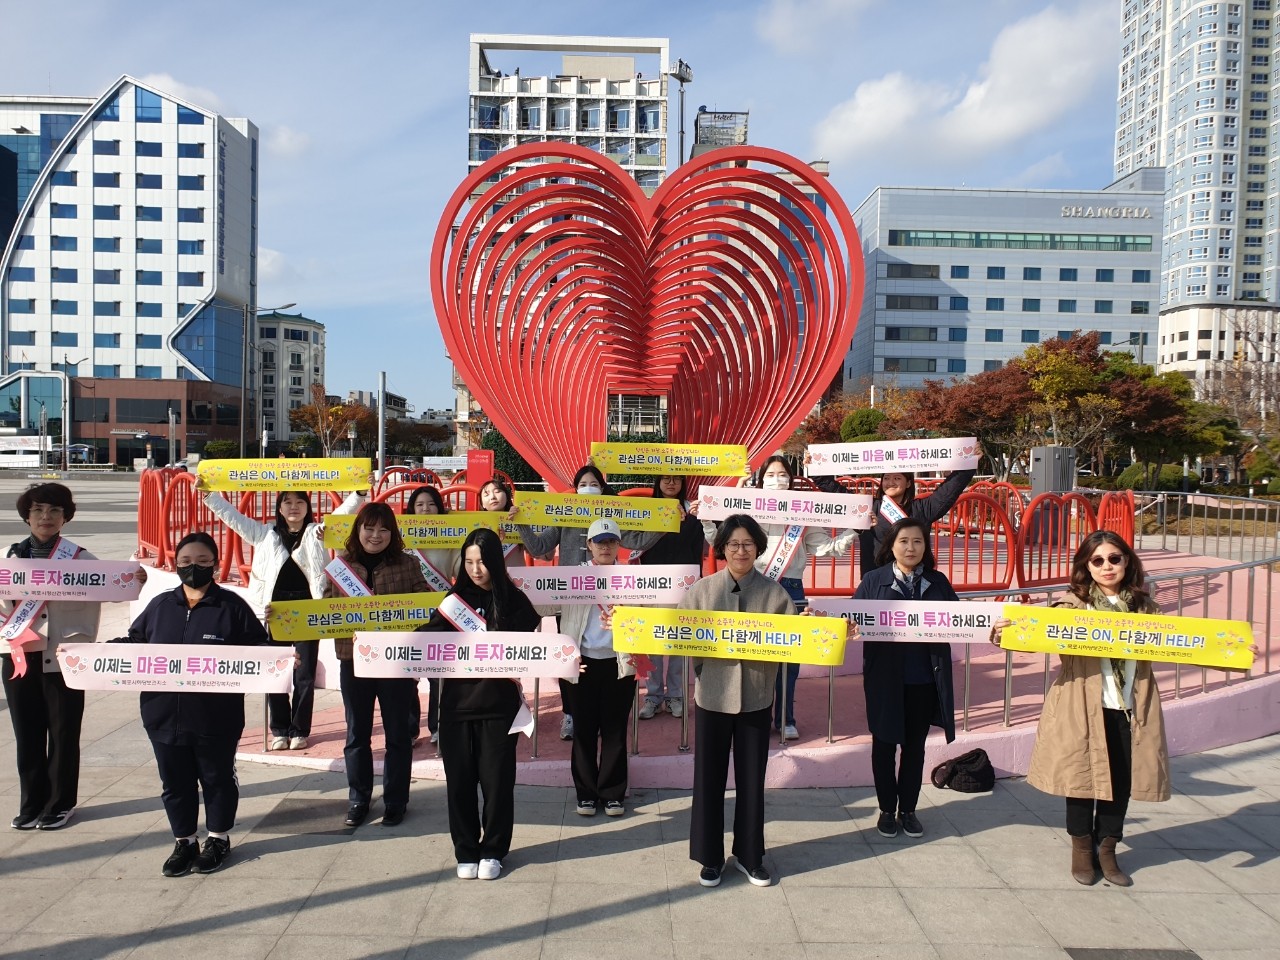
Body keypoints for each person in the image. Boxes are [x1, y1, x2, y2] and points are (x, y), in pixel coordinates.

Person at [992, 531, 1170, 887]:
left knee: (1121, 781)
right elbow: (1033, 634)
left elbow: (1188, 644)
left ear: (1127, 562)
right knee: (1081, 780)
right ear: (1086, 566)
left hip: (1130, 707)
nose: (1107, 567)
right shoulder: (1072, 605)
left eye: (1114, 559)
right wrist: (1003, 632)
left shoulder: (1145, 607)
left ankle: (1108, 848)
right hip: (1081, 704)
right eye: (1098, 560)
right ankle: (1082, 849)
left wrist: (1235, 652)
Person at [123, 532, 268, 876]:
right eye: (186, 562)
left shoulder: (232, 606)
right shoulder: (160, 605)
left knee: (216, 778)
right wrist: (85, 655)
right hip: (161, 715)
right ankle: (184, 841)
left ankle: (217, 839)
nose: (194, 568)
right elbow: (133, 643)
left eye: (203, 562)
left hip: (216, 718)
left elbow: (259, 647)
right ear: (175, 565)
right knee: (175, 782)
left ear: (216, 565)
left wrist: (280, 659)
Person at [199, 480, 367, 751]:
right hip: (274, 611)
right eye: (287, 502)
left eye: (300, 502)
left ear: (307, 507)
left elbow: (342, 515)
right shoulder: (264, 533)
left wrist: (359, 494)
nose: (294, 507)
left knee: (305, 674)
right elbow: (233, 518)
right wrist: (209, 496)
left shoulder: (317, 533)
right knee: (275, 670)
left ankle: (299, 729)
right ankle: (279, 729)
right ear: (279, 507)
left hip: (308, 610)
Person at [702, 456, 854, 740]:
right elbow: (721, 541)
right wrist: (717, 509)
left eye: (782, 474)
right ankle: (744, 715)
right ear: (762, 479)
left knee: (789, 657)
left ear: (791, 478)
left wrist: (853, 529)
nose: (777, 479)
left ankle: (785, 718)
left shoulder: (804, 513)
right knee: (746, 652)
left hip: (790, 588)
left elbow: (826, 548)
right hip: (752, 584)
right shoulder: (748, 507)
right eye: (771, 474)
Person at [421, 528, 541, 880]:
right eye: (469, 562)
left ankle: (494, 850)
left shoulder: (514, 602)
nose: (476, 570)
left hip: (499, 707)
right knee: (459, 783)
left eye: (483, 562)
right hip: (456, 707)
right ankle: (466, 851)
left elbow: (533, 651)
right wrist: (378, 645)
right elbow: (425, 640)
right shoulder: (452, 603)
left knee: (497, 783)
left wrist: (566, 660)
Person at [683, 514, 795, 889]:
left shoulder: (775, 595)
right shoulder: (701, 591)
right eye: (733, 544)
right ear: (722, 548)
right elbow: (680, 635)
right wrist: (702, 672)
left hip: (756, 697)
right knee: (708, 779)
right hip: (712, 695)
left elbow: (794, 641)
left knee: (751, 780)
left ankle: (750, 855)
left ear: (758, 548)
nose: (741, 550)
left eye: (748, 544)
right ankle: (710, 858)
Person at [514, 464, 658, 741]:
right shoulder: (563, 515)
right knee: (569, 661)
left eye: (594, 483)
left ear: (602, 489)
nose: (588, 488)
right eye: (583, 484)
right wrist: (520, 521)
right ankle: (570, 714)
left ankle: (609, 717)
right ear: (575, 488)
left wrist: (666, 525)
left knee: (613, 657)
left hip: (611, 594)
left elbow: (638, 538)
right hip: (570, 599)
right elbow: (539, 548)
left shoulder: (612, 518)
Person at [2, 483, 108, 831]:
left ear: (66, 517)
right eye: (37, 511)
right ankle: (31, 803)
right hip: (20, 655)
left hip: (66, 657)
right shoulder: (6, 557)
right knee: (27, 733)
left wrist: (134, 577)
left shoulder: (82, 559)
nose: (45, 517)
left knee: (64, 734)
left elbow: (118, 587)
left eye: (53, 511)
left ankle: (60, 803)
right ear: (26, 516)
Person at [325, 501, 430, 828]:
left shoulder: (408, 564)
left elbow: (424, 609)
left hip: (394, 662)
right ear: (358, 530)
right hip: (352, 660)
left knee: (398, 733)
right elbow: (326, 611)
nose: (376, 535)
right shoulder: (342, 567)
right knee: (357, 733)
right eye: (369, 528)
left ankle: (396, 800)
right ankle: (358, 798)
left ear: (392, 533)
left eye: (384, 528)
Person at [853, 516, 957, 840]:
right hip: (885, 679)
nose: (910, 547)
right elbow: (852, 620)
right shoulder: (873, 580)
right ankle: (886, 809)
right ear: (891, 546)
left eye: (917, 542)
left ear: (925, 547)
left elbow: (960, 620)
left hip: (923, 680)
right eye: (904, 541)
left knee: (915, 749)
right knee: (883, 746)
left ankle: (908, 810)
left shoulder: (938, 582)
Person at [557, 519, 639, 817]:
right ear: (588, 545)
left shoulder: (631, 578)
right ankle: (586, 793)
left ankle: (613, 793)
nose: (605, 547)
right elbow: (541, 603)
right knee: (584, 731)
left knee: (615, 730)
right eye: (599, 541)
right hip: (581, 663)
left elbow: (651, 613)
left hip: (619, 663)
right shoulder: (571, 577)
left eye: (611, 541)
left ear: (619, 545)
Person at [637, 474, 704, 721]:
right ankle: (653, 696)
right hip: (651, 584)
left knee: (678, 642)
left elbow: (698, 550)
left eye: (676, 479)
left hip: (681, 585)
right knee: (653, 641)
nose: (671, 483)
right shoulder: (645, 511)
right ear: (657, 482)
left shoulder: (694, 512)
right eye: (665, 479)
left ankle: (675, 695)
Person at [404, 485, 461, 747]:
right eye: (419, 504)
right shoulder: (401, 535)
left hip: (440, 611)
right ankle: (408, 728)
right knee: (408, 670)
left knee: (438, 672)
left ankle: (437, 727)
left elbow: (459, 567)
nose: (425, 509)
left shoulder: (449, 534)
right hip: (407, 612)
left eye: (431, 504)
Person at [858, 465, 976, 573]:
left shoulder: (921, 509)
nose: (890, 482)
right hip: (876, 579)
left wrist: (969, 462)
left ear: (908, 483)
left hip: (916, 580)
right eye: (886, 478)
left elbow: (949, 490)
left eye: (897, 478)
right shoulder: (868, 507)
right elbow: (839, 493)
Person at [479, 477, 525, 568]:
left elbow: (544, 554)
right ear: (482, 504)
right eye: (486, 494)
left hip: (518, 579)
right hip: (489, 579)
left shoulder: (518, 520)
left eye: (497, 492)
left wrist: (522, 522)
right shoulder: (476, 526)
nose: (492, 497)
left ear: (507, 497)